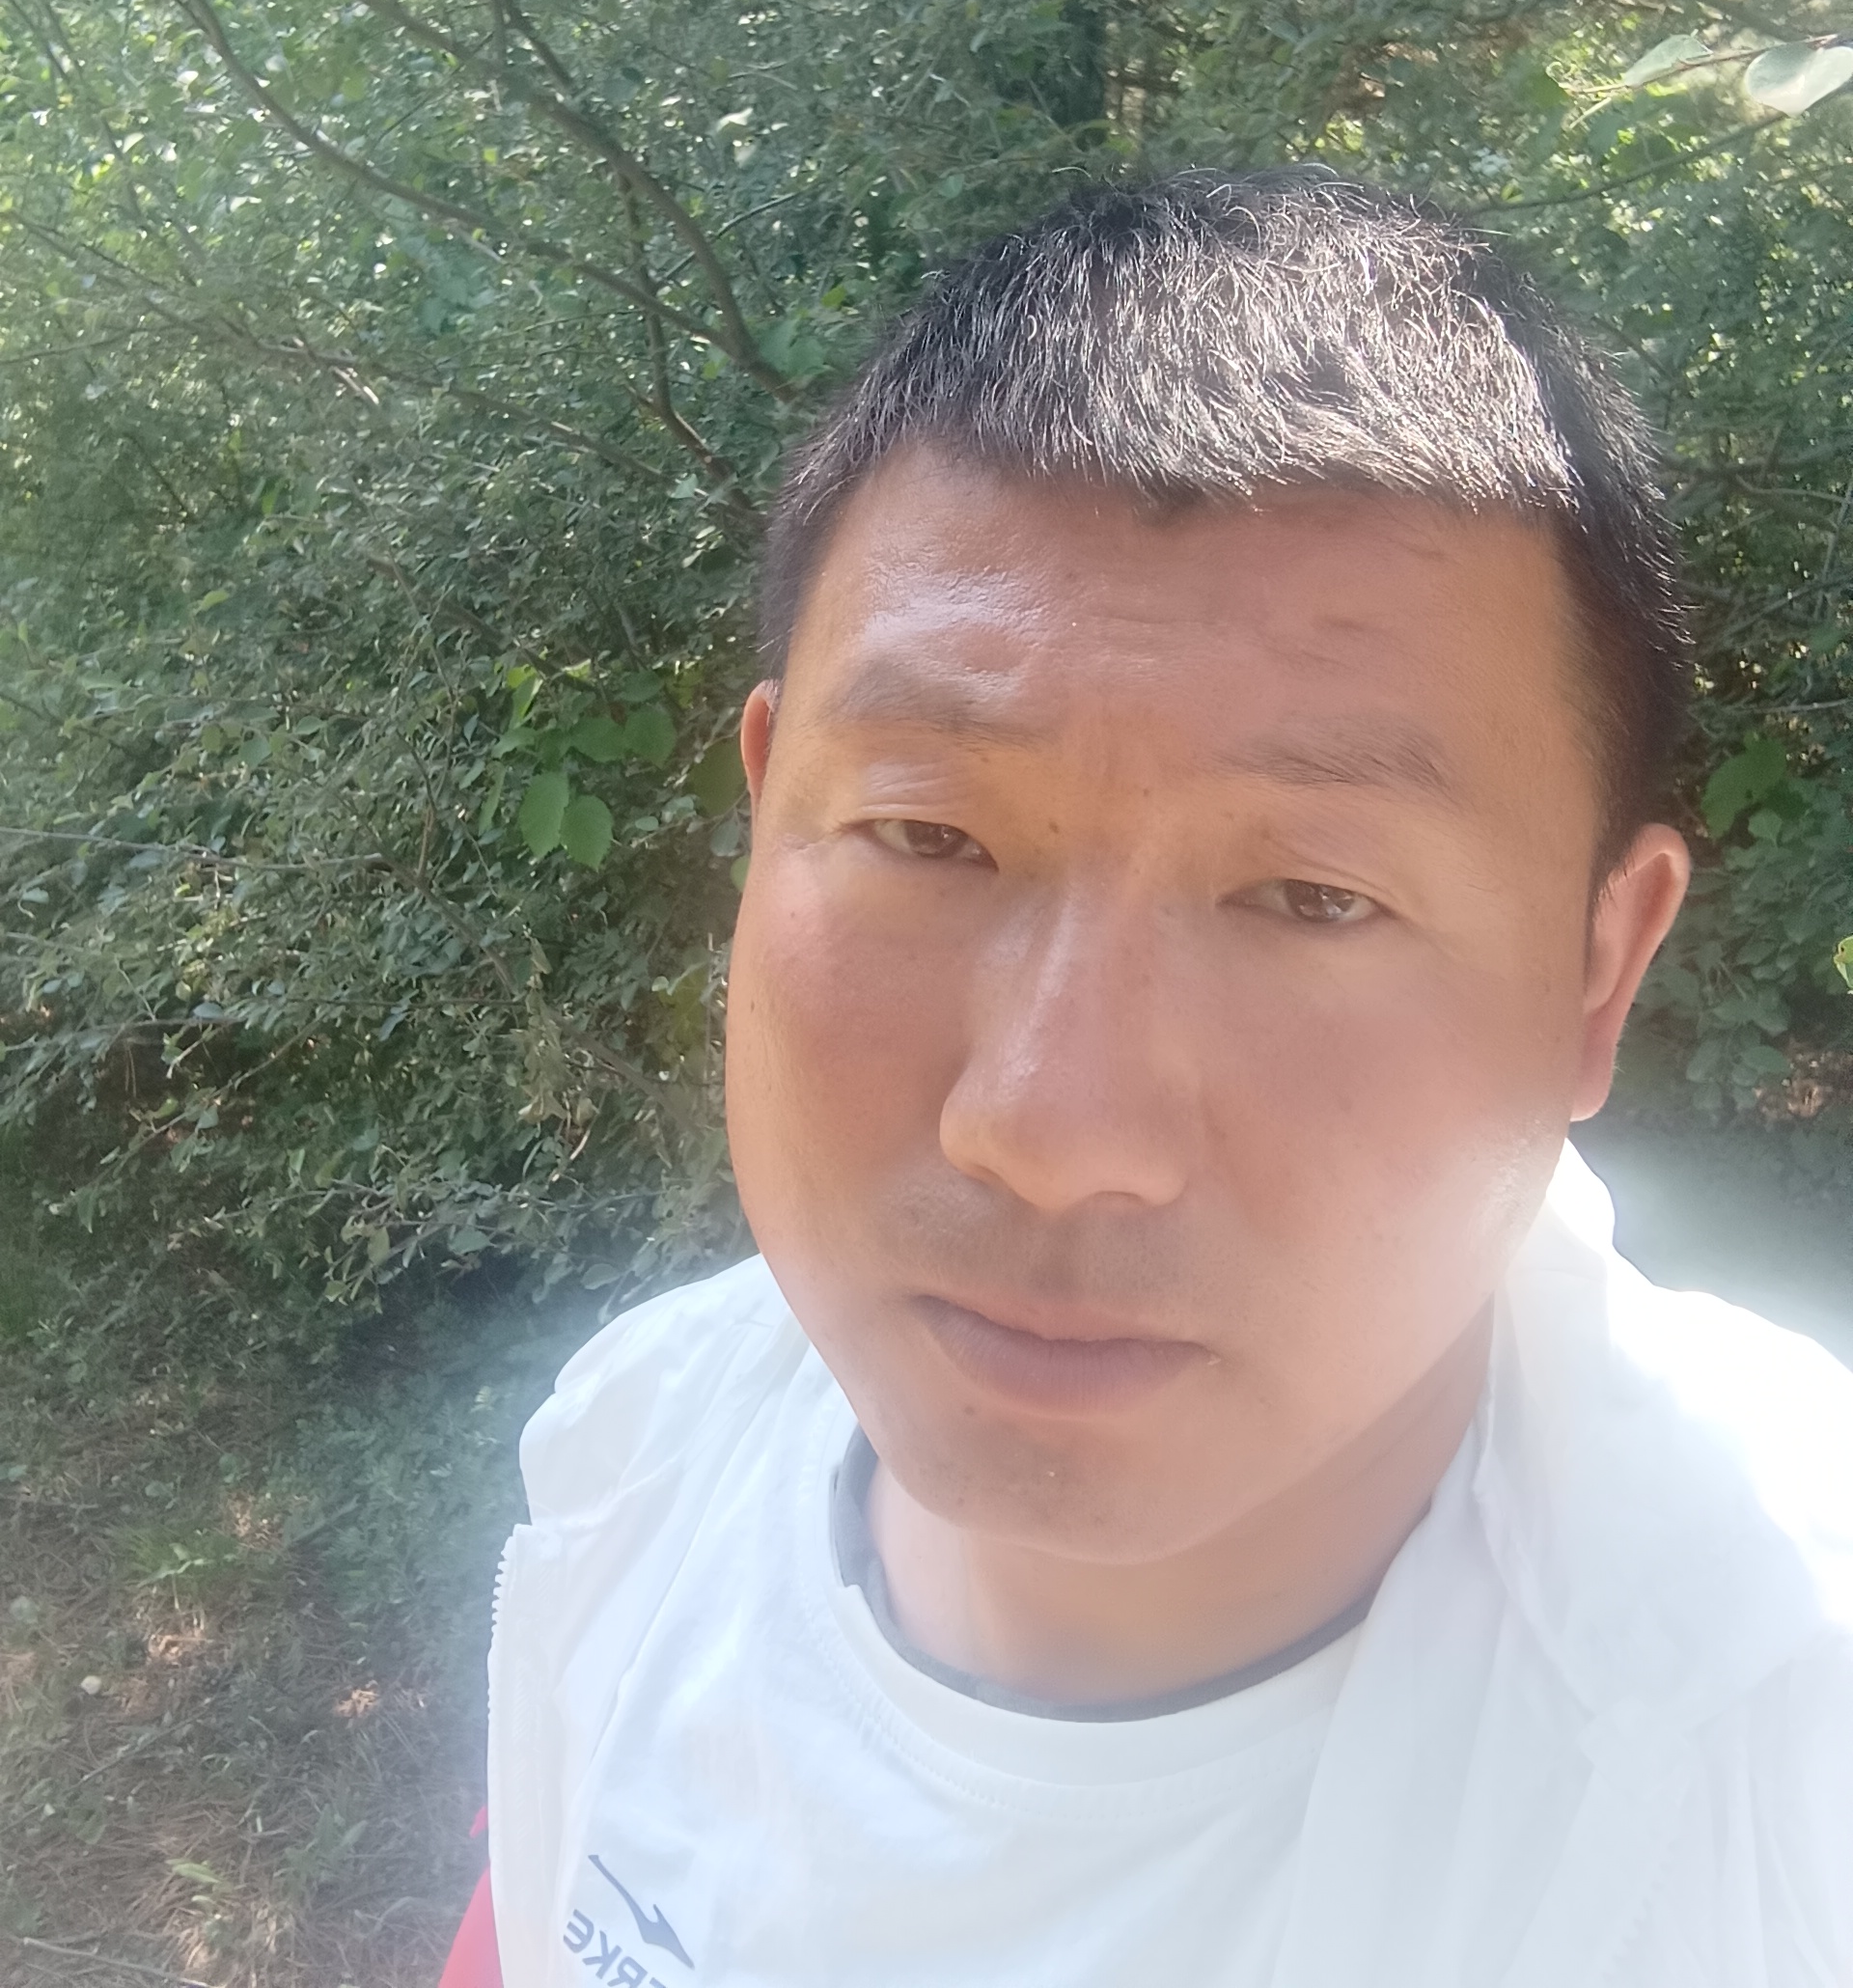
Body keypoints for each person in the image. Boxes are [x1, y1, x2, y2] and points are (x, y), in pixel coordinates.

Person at [453, 172, 1853, 1988]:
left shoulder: (1779, 1762)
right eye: (927, 835)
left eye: (1316, 896)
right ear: (765, 809)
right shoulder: (635, 1457)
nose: (1051, 1130)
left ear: (1601, 972)